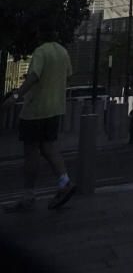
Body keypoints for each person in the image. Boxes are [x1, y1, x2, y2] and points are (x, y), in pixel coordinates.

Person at [3, 26, 76, 211]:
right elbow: (68, 78)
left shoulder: (41, 52)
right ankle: (65, 181)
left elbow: (34, 76)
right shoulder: (63, 52)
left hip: (35, 109)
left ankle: (28, 195)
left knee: (31, 151)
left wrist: (16, 96)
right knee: (49, 146)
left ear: (39, 36)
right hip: (55, 108)